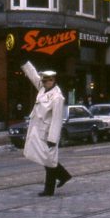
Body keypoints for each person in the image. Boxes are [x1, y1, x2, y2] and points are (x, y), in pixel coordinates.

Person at [21, 61, 72, 197]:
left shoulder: (57, 97)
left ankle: (50, 188)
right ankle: (63, 176)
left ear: (53, 80)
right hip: (38, 130)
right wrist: (25, 64)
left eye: (46, 81)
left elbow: (56, 119)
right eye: (43, 81)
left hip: (47, 133)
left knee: (48, 160)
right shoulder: (43, 89)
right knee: (46, 160)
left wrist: (53, 139)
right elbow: (33, 76)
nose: (43, 83)